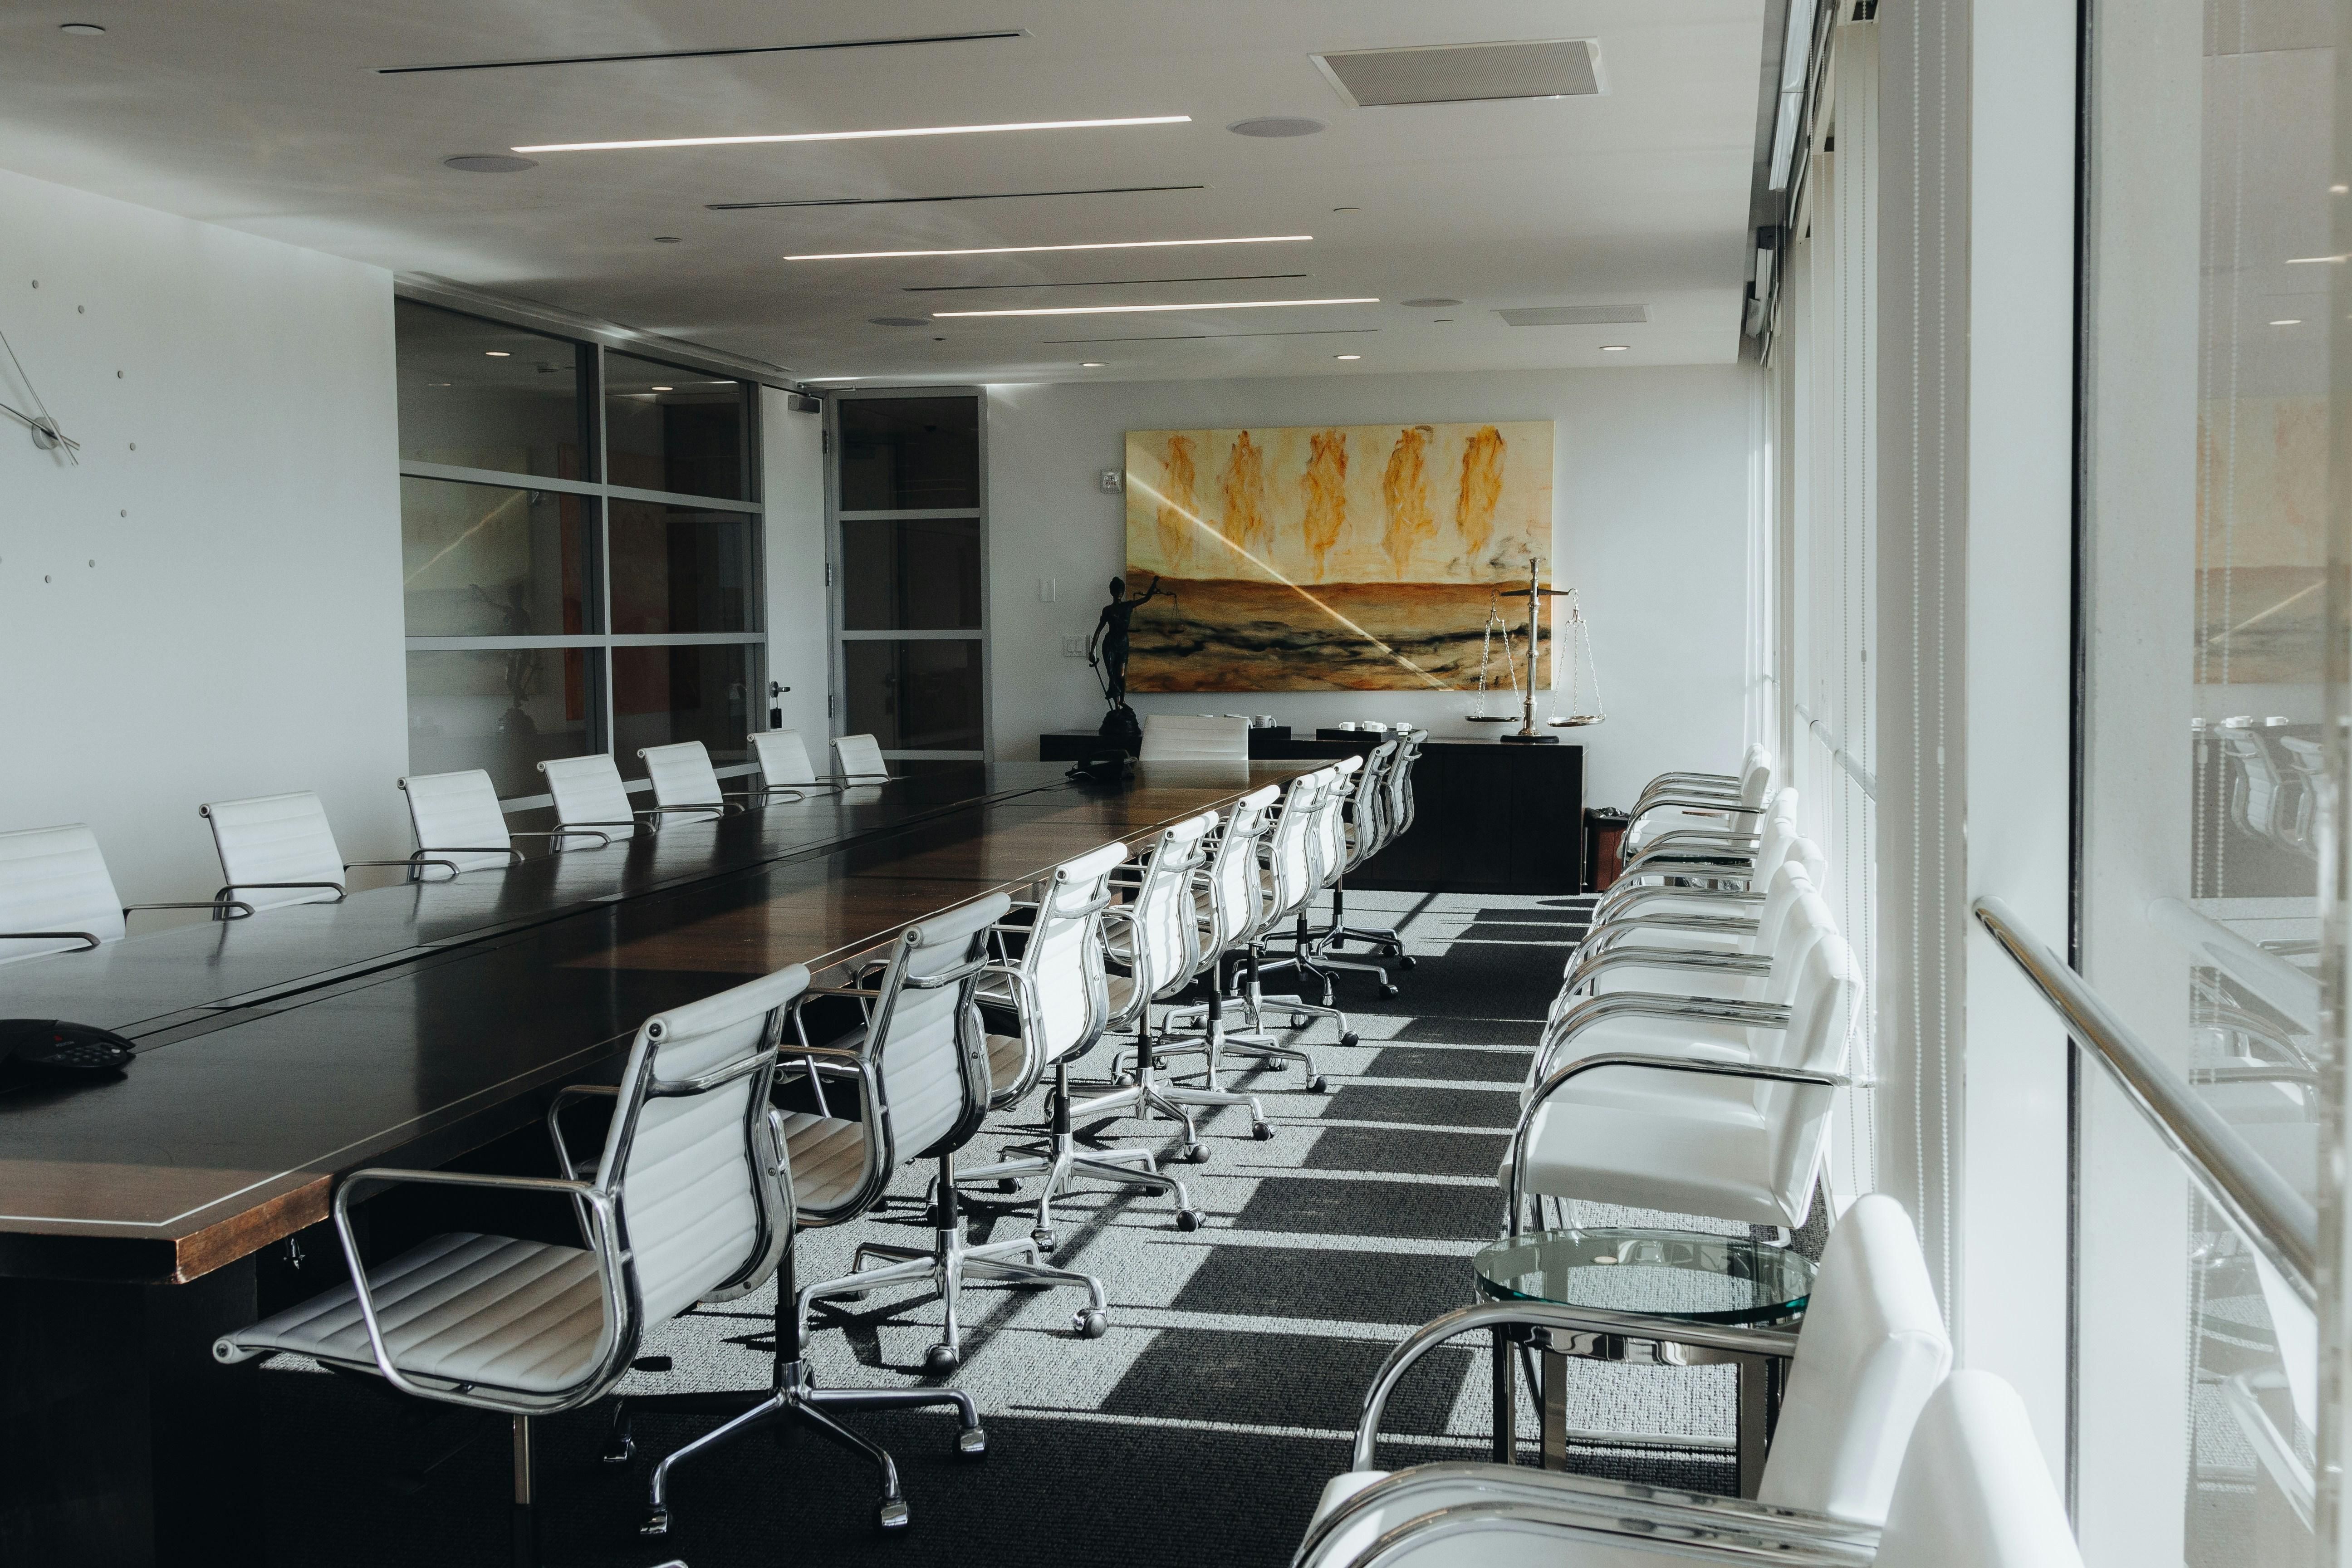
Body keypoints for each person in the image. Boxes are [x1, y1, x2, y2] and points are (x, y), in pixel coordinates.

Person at [1087, 575, 1166, 708]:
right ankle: (1117, 706)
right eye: (1116, 591)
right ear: (1112, 592)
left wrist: (1154, 583)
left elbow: (1146, 598)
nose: (1119, 593)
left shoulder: (1129, 606)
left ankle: (1122, 701)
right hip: (1110, 644)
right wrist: (1092, 651)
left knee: (1121, 675)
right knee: (1112, 675)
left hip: (1123, 644)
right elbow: (1099, 631)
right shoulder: (1108, 610)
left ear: (1123, 592)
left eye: (1121, 591)